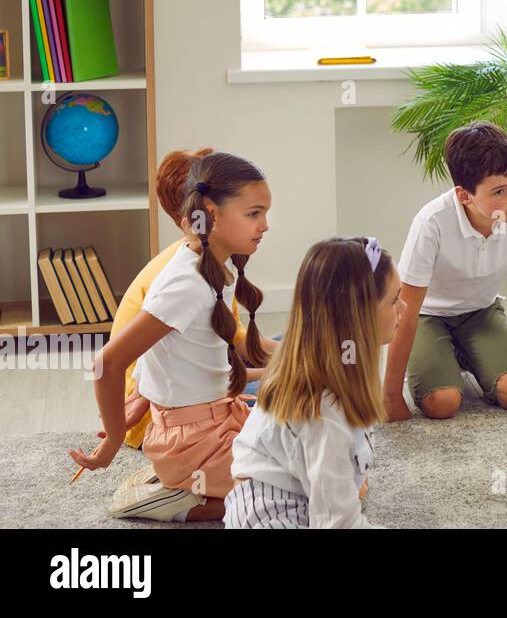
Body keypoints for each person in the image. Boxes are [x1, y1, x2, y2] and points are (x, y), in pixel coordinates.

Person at [70, 153, 272, 522]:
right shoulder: (187, 283)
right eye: (254, 214)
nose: (265, 225)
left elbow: (168, 350)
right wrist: (113, 442)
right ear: (212, 214)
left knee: (325, 457)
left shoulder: (209, 265)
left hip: (215, 421)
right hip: (193, 445)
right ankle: (180, 503)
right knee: (323, 487)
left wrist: (144, 396)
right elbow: (106, 363)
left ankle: (196, 488)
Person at [384, 122, 507, 420]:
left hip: (481, 313)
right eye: (499, 191)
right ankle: (443, 356)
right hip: (426, 317)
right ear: (464, 195)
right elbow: (406, 309)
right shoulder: (431, 223)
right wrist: (391, 396)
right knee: (442, 404)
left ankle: (465, 353)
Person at [225, 237, 401, 529]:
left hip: (281, 498)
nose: (403, 308)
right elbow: (338, 524)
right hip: (273, 516)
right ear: (360, 315)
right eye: (394, 300)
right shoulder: (325, 412)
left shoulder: (336, 373)